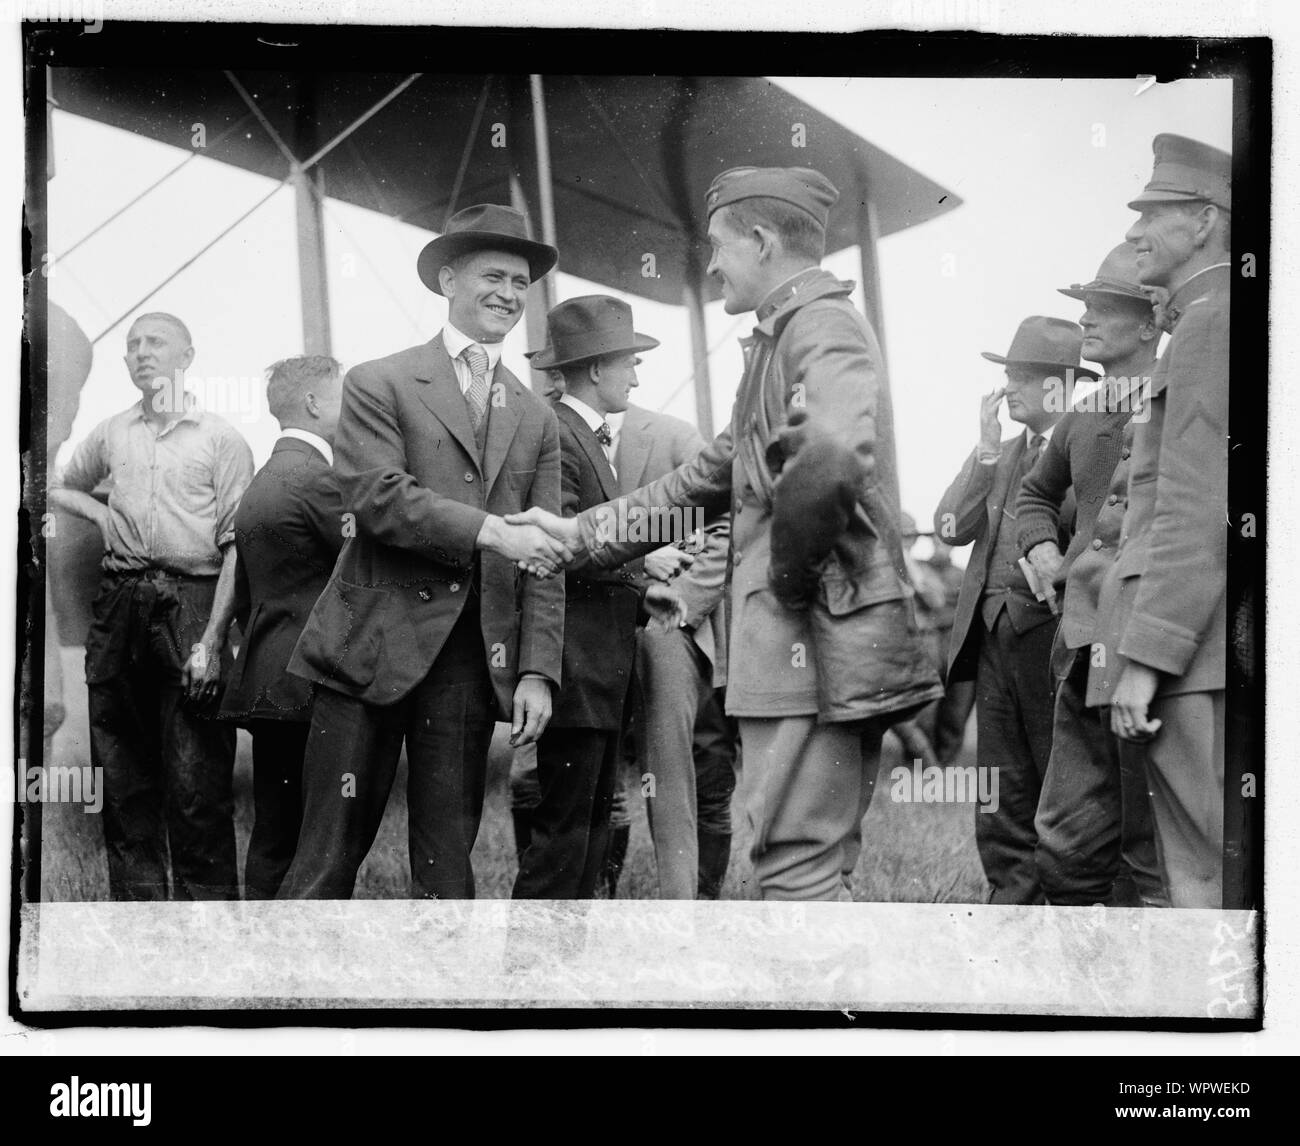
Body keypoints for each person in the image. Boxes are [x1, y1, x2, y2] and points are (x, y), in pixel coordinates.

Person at [508, 166, 942, 902]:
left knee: (797, 867)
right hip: (805, 640)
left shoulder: (818, 325)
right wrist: (578, 533)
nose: (709, 265)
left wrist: (786, 579)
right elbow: (704, 477)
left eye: (718, 246)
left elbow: (832, 452)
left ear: (764, 242)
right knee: (797, 861)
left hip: (811, 636)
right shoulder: (786, 336)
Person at [278, 204, 571, 900]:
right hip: (367, 649)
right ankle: (287, 997)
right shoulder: (379, 380)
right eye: (493, 275)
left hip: (471, 663)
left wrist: (537, 671)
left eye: (520, 282)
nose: (507, 292)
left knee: (447, 867)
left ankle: (441, 1002)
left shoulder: (536, 416)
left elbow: (551, 551)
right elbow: (375, 498)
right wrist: (491, 531)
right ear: (447, 279)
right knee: (325, 858)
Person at [50, 312, 253, 900]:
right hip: (119, 607)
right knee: (123, 783)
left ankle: (205, 940)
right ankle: (140, 940)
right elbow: (57, 483)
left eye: (156, 343)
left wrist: (212, 643)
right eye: (133, 345)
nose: (142, 353)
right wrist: (96, 510)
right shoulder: (112, 432)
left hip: (192, 605)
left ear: (187, 356)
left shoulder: (220, 438)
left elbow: (237, 549)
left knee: (196, 788)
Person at [1087, 134, 1232, 909]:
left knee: (1203, 875)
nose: (1136, 230)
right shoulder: (1206, 319)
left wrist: (1148, 656)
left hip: (1190, 654)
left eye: (1155, 213)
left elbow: (1195, 507)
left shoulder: (1210, 323)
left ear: (1205, 222)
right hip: (1201, 646)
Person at [511, 295, 679, 899]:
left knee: (585, 829)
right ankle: (532, 978)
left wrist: (639, 582)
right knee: (565, 834)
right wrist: (642, 557)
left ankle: (559, 971)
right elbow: (557, 541)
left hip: (596, 665)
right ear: (596, 368)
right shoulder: (557, 429)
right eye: (630, 362)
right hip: (576, 663)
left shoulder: (577, 429)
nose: (637, 374)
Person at [1014, 244, 1165, 908]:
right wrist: (1042, 545)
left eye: (1108, 309)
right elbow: (1032, 495)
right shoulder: (1083, 412)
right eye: (1087, 309)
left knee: (1155, 835)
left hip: (1154, 645)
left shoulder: (1187, 396)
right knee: (1065, 841)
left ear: (1152, 323)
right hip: (1079, 643)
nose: (1089, 321)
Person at [934, 316, 1089, 904]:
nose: (1010, 387)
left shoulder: (1091, 446)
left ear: (1062, 385)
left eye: (1024, 376)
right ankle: (1009, 914)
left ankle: (1066, 913)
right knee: (999, 788)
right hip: (994, 639)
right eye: (1008, 374)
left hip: (1056, 642)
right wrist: (985, 449)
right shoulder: (1003, 453)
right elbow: (951, 527)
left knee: (1061, 786)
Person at [218, 355, 346, 898]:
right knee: (318, 837)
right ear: (315, 404)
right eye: (343, 394)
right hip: (311, 681)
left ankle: (266, 956)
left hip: (269, 676)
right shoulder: (316, 480)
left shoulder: (266, 479)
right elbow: (370, 566)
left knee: (275, 830)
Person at [615, 402, 734, 900]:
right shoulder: (545, 433)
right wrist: (641, 562)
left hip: (672, 632)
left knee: (696, 770)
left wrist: (681, 612)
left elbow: (721, 522)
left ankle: (690, 903)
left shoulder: (671, 435)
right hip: (586, 630)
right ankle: (587, 897)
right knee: (553, 774)